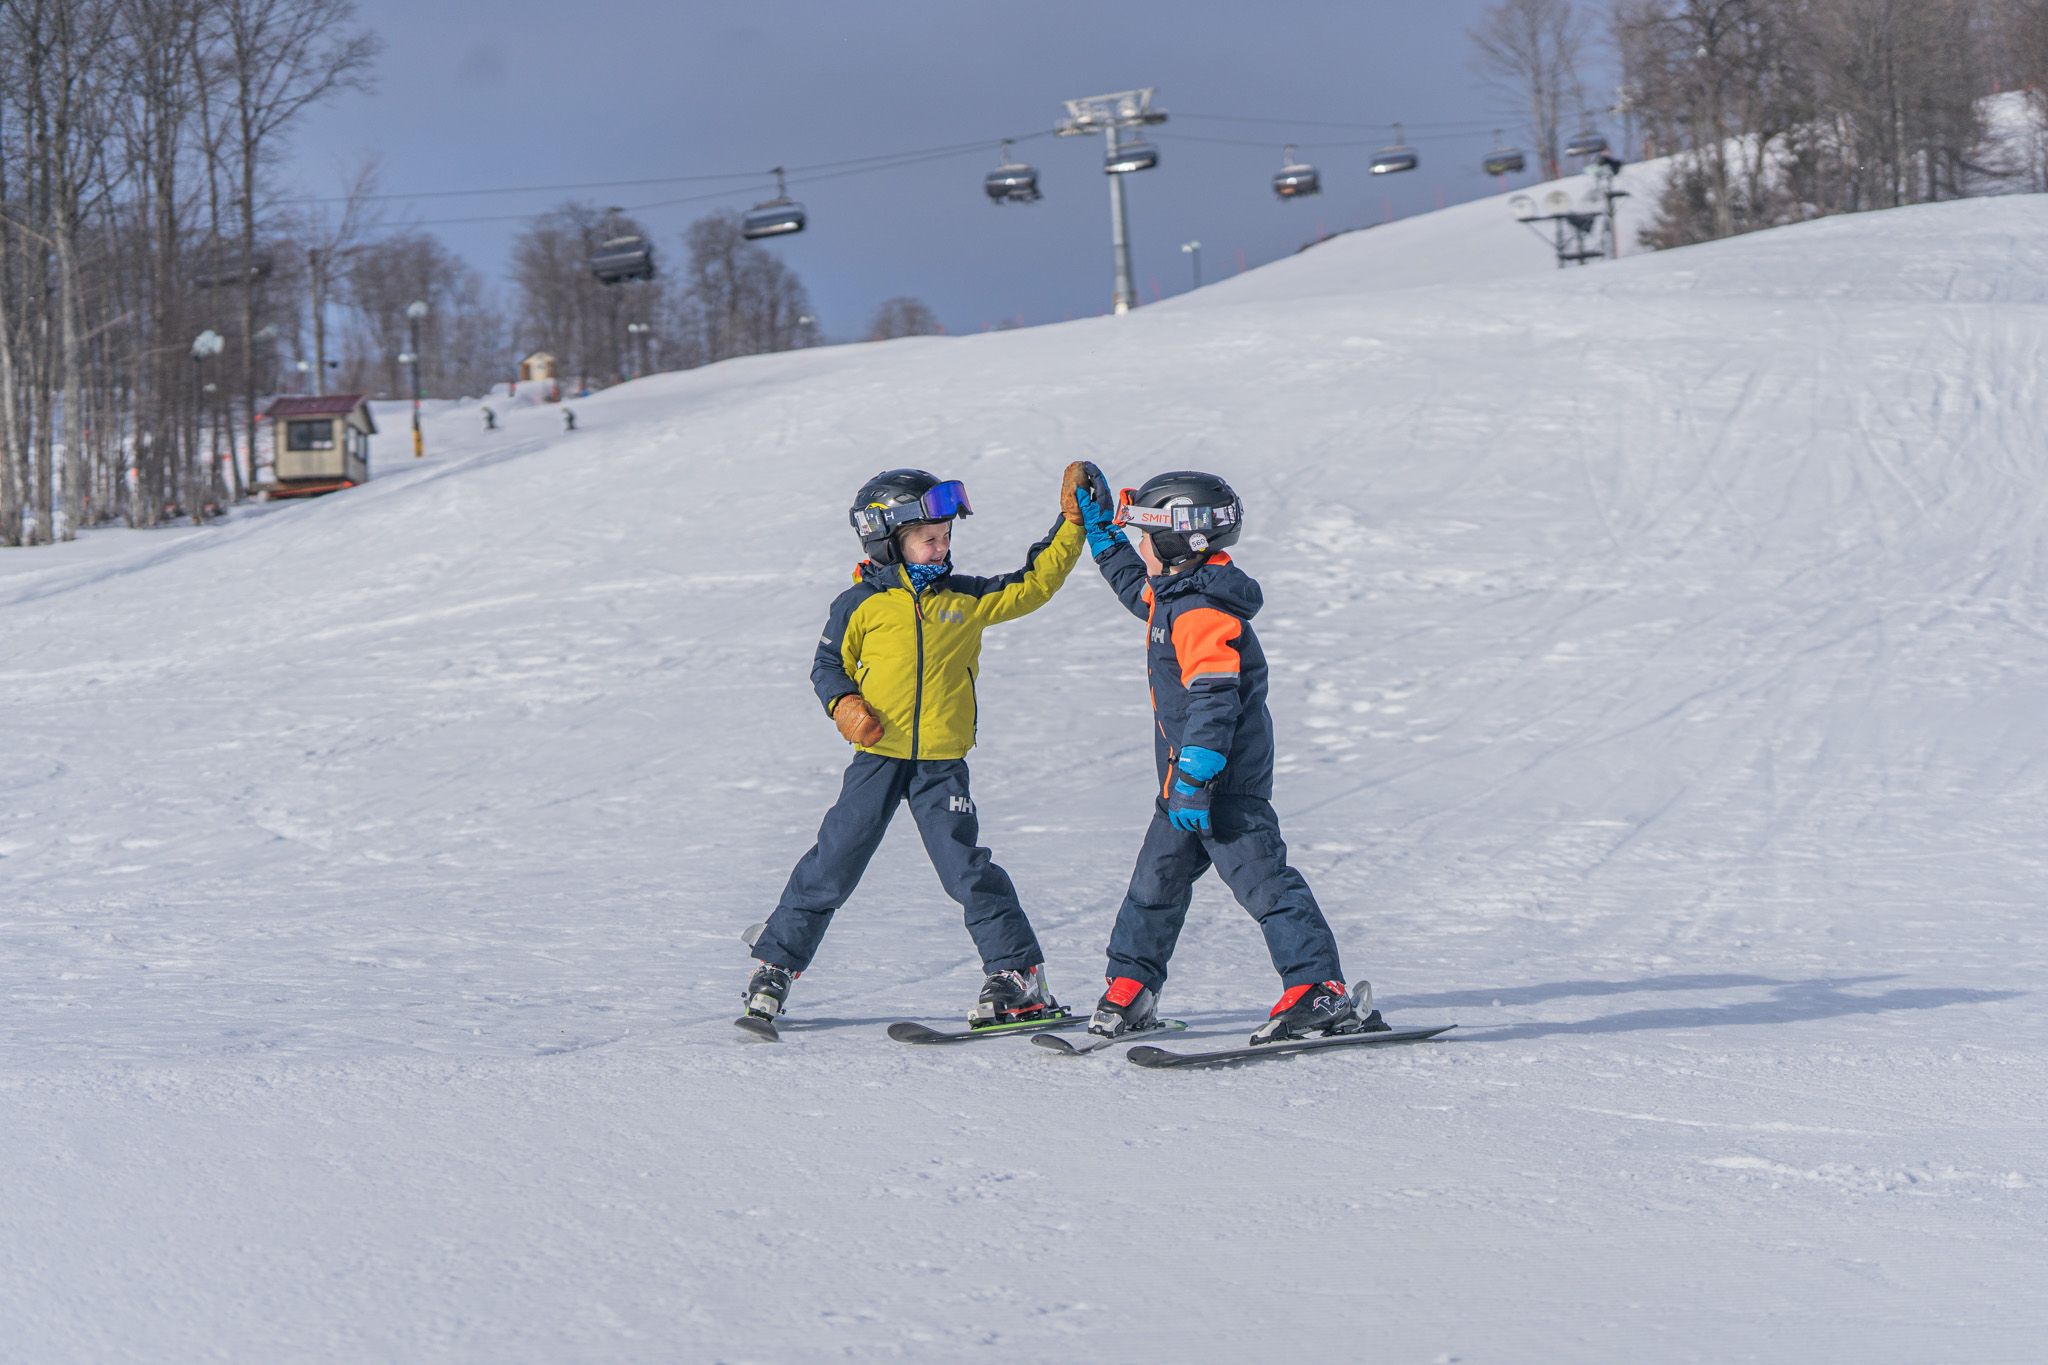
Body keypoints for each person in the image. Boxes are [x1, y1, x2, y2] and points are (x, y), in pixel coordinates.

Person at [742, 465, 1092, 1028]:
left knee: (966, 870)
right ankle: (775, 966)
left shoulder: (967, 599)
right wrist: (844, 706)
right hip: (878, 758)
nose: (941, 547)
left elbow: (1035, 583)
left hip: (940, 765)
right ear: (888, 541)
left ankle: (1016, 974)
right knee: (833, 861)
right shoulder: (859, 604)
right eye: (928, 538)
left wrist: (1071, 524)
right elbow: (827, 665)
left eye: (946, 536)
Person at [1072, 471, 1385, 1044]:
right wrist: (1100, 532)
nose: (1140, 545)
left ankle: (1321, 989)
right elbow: (1129, 583)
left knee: (1266, 885)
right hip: (1182, 787)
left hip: (1223, 787)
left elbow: (1216, 698)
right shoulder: (1174, 593)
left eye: (1145, 534)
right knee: (1153, 888)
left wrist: (1197, 773)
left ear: (1178, 540)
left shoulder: (1201, 612)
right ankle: (1131, 987)